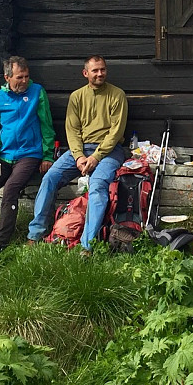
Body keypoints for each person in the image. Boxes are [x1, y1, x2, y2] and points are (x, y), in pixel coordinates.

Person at [27, 55, 128, 253]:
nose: (100, 74)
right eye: (95, 70)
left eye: (103, 70)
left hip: (109, 152)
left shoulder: (117, 95)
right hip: (80, 151)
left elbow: (116, 132)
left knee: (98, 186)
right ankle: (36, 232)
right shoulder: (77, 97)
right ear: (85, 73)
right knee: (50, 178)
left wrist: (95, 157)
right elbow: (72, 130)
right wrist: (79, 156)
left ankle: (87, 245)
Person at [0, 56, 54, 260]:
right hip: (3, 155)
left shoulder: (36, 92)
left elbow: (46, 126)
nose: (24, 81)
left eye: (27, 76)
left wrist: (47, 154)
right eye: (19, 77)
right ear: (7, 77)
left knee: (11, 189)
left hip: (29, 154)